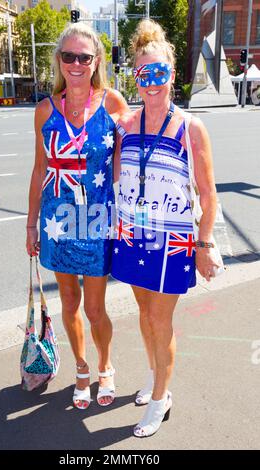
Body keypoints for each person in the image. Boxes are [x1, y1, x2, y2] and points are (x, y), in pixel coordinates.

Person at [111, 19, 220, 437]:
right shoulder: (127, 126)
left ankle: (161, 398)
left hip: (173, 242)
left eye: (159, 73)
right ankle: (156, 375)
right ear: (135, 78)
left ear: (172, 75)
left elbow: (208, 195)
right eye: (144, 74)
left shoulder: (191, 128)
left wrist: (205, 243)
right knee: (143, 312)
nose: (152, 82)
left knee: (160, 320)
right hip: (132, 235)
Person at [26, 22, 128, 410]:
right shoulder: (43, 110)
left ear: (96, 61)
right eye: (68, 56)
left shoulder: (113, 103)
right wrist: (31, 223)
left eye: (84, 57)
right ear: (59, 61)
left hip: (97, 219)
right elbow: (38, 169)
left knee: (95, 308)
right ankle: (82, 370)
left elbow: (129, 157)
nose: (76, 63)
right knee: (68, 302)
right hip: (56, 220)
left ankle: (106, 367)